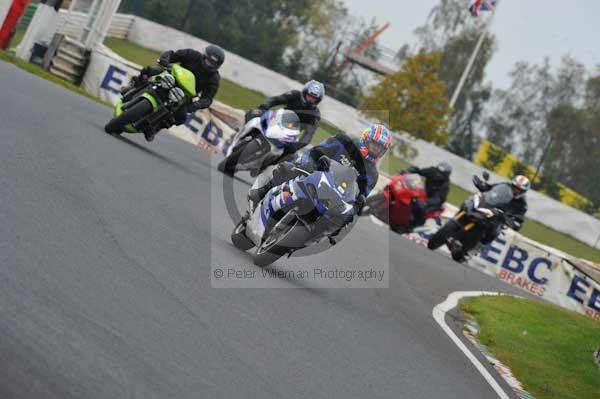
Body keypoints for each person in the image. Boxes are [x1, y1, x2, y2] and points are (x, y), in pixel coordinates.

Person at [248, 123, 393, 243]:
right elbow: (317, 150)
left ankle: (316, 236)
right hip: (316, 172)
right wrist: (313, 161)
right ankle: (262, 191)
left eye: (380, 148)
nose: (376, 149)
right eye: (374, 144)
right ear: (366, 138)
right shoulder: (344, 141)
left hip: (334, 194)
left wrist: (356, 205)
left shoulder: (372, 173)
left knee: (346, 216)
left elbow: (361, 195)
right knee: (290, 168)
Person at [121, 45, 225, 141]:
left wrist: (195, 105)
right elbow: (171, 54)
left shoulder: (214, 78)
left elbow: (208, 99)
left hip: (185, 95)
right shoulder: (192, 54)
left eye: (213, 64)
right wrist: (164, 61)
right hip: (171, 77)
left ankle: (156, 127)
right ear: (204, 56)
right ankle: (133, 87)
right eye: (208, 61)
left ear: (217, 66)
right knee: (151, 70)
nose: (209, 64)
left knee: (181, 116)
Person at [247, 80, 324, 160]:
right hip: (276, 120)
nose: (310, 99)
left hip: (290, 135)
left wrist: (297, 145)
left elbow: (308, 135)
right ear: (304, 93)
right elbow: (276, 100)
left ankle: (265, 165)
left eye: (314, 98)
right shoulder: (294, 95)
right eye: (309, 96)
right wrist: (263, 107)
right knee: (254, 113)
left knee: (291, 155)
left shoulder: (315, 114)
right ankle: (243, 136)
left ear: (317, 100)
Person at [473, 174, 530, 244]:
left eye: (519, 190)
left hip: (498, 219)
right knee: (472, 205)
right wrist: (481, 185)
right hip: (487, 207)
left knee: (494, 231)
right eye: (514, 188)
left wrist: (515, 222)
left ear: (524, 191)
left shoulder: (522, 205)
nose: (515, 191)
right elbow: (490, 189)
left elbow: (519, 220)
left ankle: (480, 245)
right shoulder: (504, 186)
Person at [402, 162, 452, 227]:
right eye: (437, 172)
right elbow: (418, 171)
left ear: (446, 176)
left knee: (421, 210)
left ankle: (412, 226)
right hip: (424, 194)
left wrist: (425, 203)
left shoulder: (445, 186)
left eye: (440, 174)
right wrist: (408, 171)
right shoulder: (432, 171)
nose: (437, 174)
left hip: (433, 203)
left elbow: (437, 199)